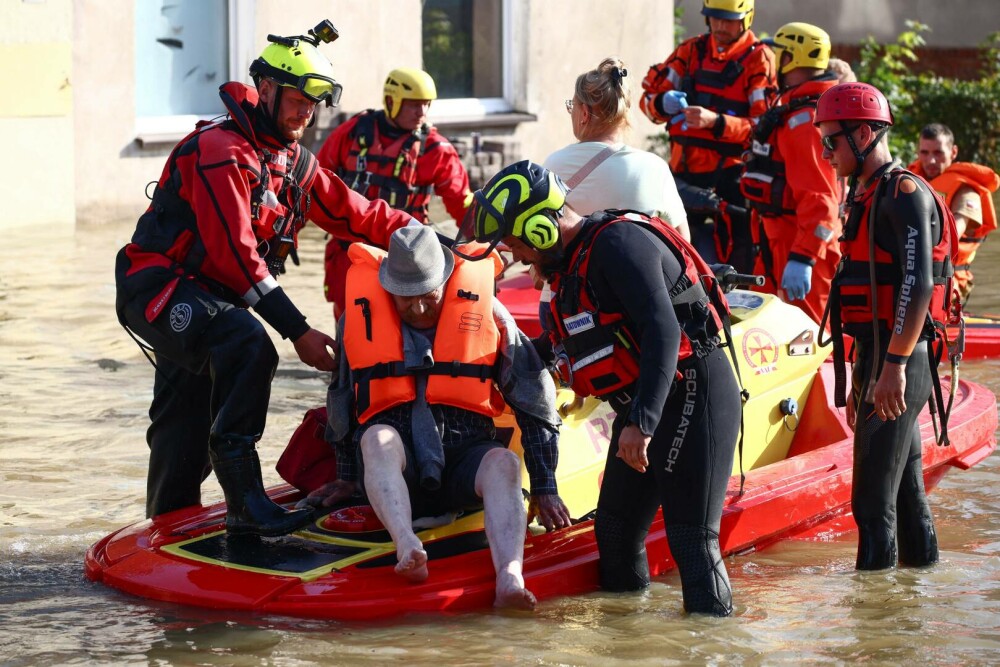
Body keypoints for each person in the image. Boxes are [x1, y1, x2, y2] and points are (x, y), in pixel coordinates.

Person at [114, 22, 418, 536]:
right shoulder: (221, 150)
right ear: (268, 90)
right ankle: (243, 505)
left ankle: (164, 529)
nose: (307, 112)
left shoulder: (295, 162)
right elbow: (237, 255)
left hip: (214, 302)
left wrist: (428, 243)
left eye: (316, 102)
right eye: (298, 99)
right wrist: (298, 330)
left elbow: (358, 215)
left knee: (182, 424)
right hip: (156, 287)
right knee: (249, 344)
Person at [454, 160, 742, 616]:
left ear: (540, 227)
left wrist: (642, 424)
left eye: (516, 244)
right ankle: (628, 644)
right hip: (643, 406)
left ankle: (711, 648)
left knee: (691, 537)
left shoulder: (617, 244)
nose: (519, 257)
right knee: (615, 531)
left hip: (693, 392)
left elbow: (663, 332)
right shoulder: (572, 267)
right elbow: (575, 340)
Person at [302, 225, 571, 609]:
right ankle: (407, 546)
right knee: (375, 438)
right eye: (405, 299)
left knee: (504, 463)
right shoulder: (357, 320)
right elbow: (343, 398)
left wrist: (545, 485)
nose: (419, 308)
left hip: (466, 459)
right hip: (399, 467)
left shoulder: (489, 314)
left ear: (445, 280)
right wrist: (345, 477)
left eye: (428, 296)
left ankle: (510, 577)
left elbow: (534, 399)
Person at [816, 82, 959, 570]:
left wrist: (892, 367)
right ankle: (914, 606)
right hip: (881, 353)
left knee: (871, 506)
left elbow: (917, 287)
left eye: (831, 141)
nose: (826, 152)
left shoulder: (902, 194)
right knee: (905, 493)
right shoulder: (867, 193)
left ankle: (872, 634)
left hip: (903, 358)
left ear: (863, 133)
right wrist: (867, 370)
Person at [316, 68, 473, 318]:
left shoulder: (436, 149)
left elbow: (463, 206)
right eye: (413, 105)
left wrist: (481, 249)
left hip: (410, 255)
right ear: (391, 101)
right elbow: (314, 183)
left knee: (407, 327)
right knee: (350, 324)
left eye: (426, 105)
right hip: (351, 252)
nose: (421, 113)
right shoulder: (353, 132)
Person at [639, 0, 776, 272]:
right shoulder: (690, 51)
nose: (720, 26)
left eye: (728, 20)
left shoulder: (758, 58)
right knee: (672, 259)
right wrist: (662, 102)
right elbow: (646, 100)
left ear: (746, 19)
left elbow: (765, 129)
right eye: (715, 18)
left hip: (730, 181)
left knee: (736, 262)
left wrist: (716, 122)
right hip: (683, 176)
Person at [740, 23, 843, 323]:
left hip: (801, 247)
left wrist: (803, 257)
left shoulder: (806, 121)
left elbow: (822, 199)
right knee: (762, 331)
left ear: (791, 58)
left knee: (808, 338)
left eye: (779, 53)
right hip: (778, 242)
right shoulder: (795, 109)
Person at [544, 57, 689, 239]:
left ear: (585, 113)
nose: (570, 112)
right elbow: (684, 240)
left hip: (577, 268)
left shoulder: (554, 166)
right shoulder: (655, 167)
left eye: (572, 106)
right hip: (639, 267)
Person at [908, 123, 1000, 303]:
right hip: (913, 273)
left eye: (938, 153)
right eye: (925, 153)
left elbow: (951, 235)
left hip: (949, 278)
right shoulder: (909, 181)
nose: (931, 160)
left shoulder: (966, 191)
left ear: (953, 152)